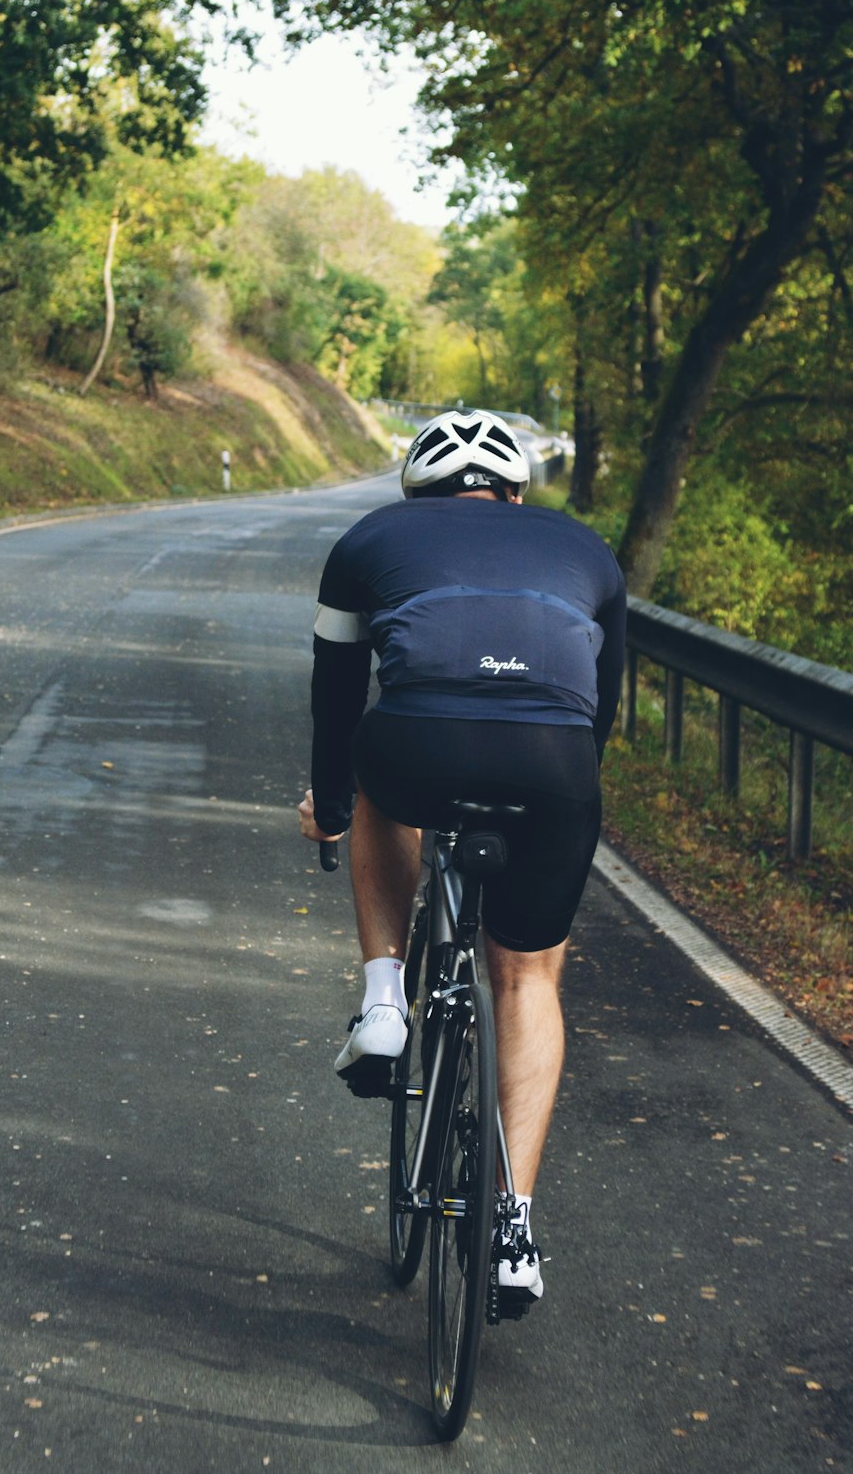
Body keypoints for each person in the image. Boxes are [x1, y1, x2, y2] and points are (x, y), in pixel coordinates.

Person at [298, 407, 626, 1312]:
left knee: (376, 785)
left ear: (417, 491)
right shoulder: (585, 547)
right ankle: (513, 1229)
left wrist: (329, 809)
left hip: (418, 746)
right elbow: (600, 713)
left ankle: (382, 1007)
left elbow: (336, 704)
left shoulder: (370, 538)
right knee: (528, 982)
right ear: (517, 490)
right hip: (556, 768)